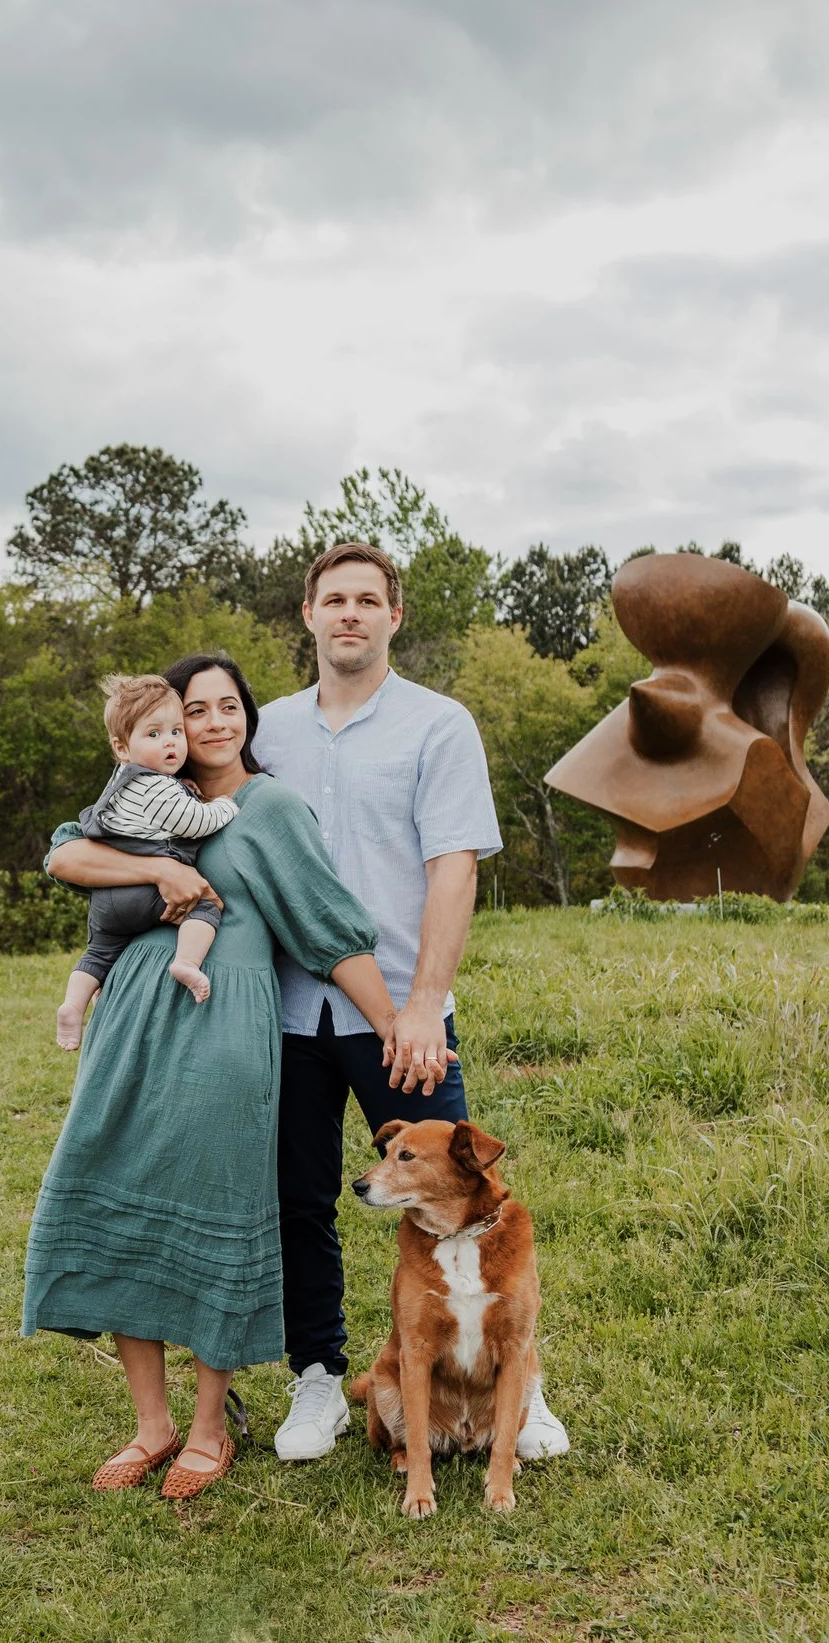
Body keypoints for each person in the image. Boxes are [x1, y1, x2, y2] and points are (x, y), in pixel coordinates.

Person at [25, 654, 445, 1499]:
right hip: (130, 1018)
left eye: (225, 708)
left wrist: (395, 1019)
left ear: (246, 716)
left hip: (222, 1019)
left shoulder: (267, 807)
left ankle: (211, 1426)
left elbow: (328, 931)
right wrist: (158, 868)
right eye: (191, 712)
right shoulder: (140, 792)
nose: (209, 725)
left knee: (219, 1203)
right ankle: (152, 1423)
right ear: (163, 726)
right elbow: (64, 855)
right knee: (102, 1183)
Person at [259, 540, 574, 1464]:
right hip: (282, 1008)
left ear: (395, 617)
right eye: (334, 599)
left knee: (465, 1197)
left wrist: (425, 1002)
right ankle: (318, 1379)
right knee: (300, 1201)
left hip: (400, 1014)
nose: (349, 613)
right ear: (309, 616)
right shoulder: (265, 732)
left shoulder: (440, 725)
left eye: (367, 600)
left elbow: (454, 866)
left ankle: (525, 1389)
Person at [54, 674, 237, 1051]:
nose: (169, 741)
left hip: (107, 903)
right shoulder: (155, 786)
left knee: (98, 953)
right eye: (153, 734)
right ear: (121, 748)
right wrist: (225, 805)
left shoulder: (122, 781)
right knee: (205, 906)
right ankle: (187, 962)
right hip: (144, 893)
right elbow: (194, 822)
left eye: (175, 731)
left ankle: (72, 1006)